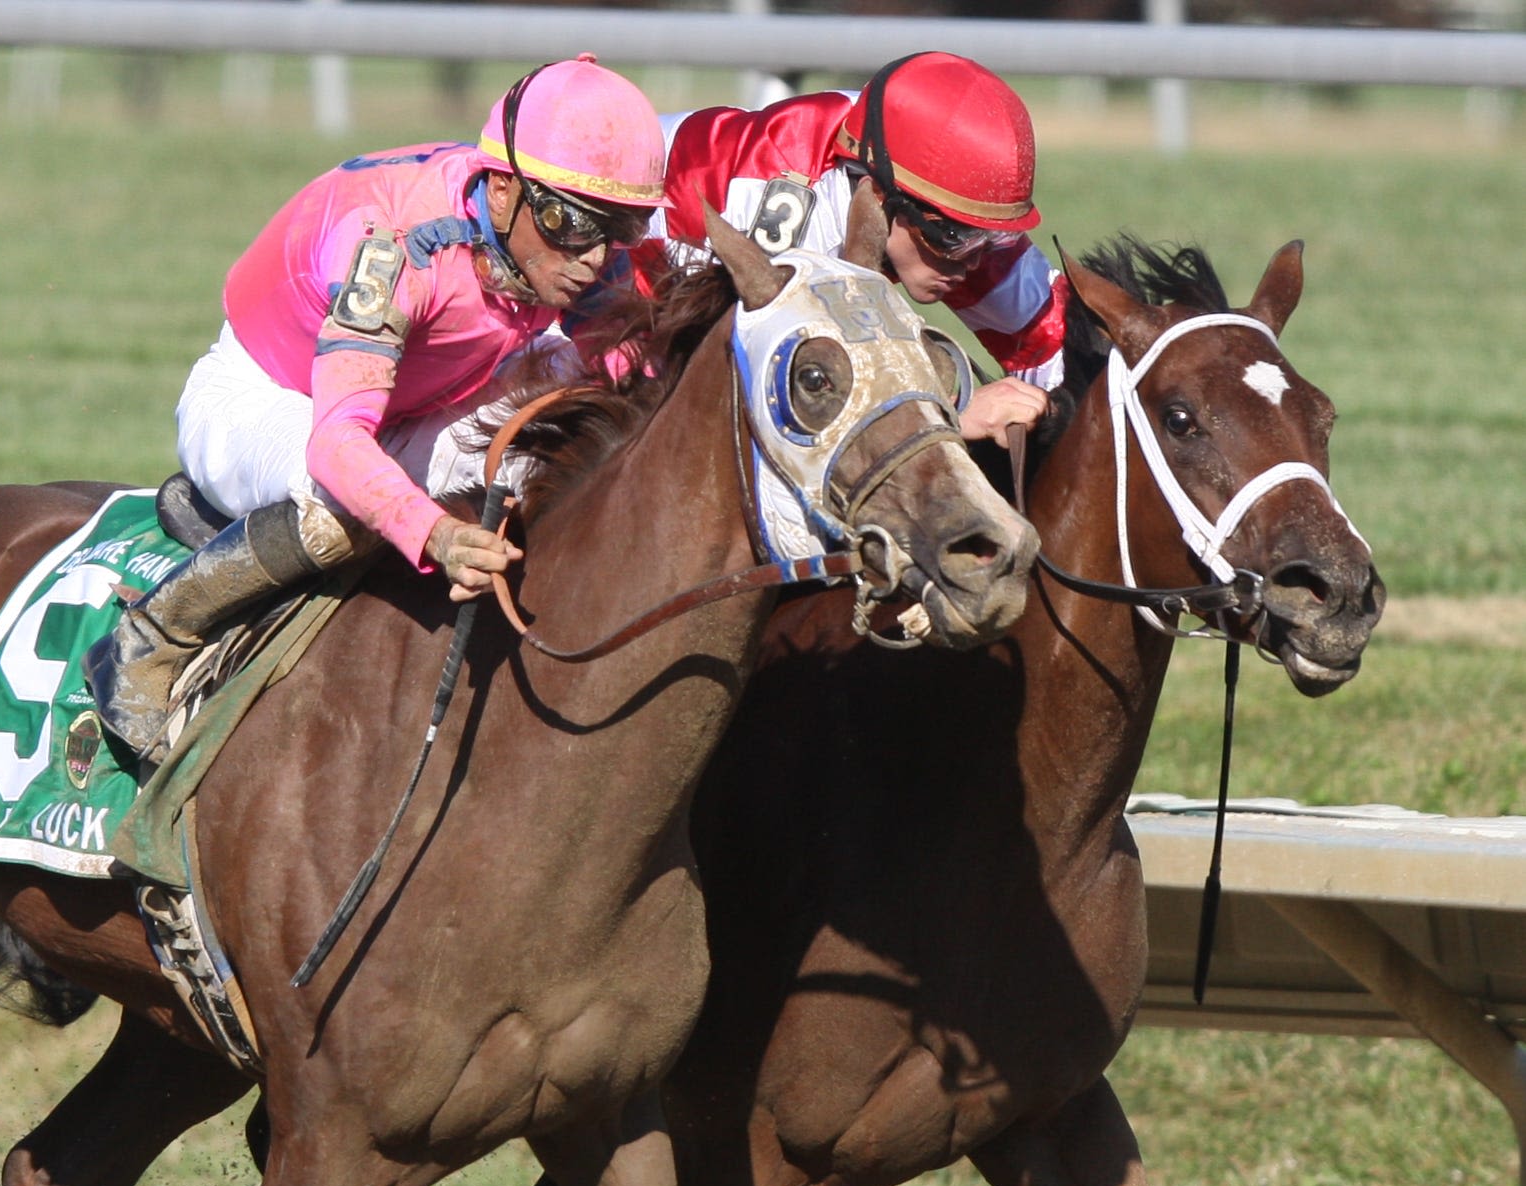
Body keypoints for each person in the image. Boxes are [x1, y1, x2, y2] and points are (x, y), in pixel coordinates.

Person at [88, 54, 667, 758]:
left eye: (622, 230)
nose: (594, 256)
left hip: (408, 400)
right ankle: (153, 638)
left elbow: (632, 375)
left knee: (576, 418)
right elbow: (337, 446)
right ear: (507, 191)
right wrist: (440, 536)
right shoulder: (393, 247)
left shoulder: (562, 239)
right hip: (272, 397)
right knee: (345, 509)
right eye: (571, 224)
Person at [645, 51, 1064, 445]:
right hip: (621, 284)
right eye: (954, 237)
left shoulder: (937, 194)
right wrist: (951, 413)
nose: (975, 260)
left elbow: (1061, 340)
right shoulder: (783, 207)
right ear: (880, 198)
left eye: (992, 238)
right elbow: (762, 404)